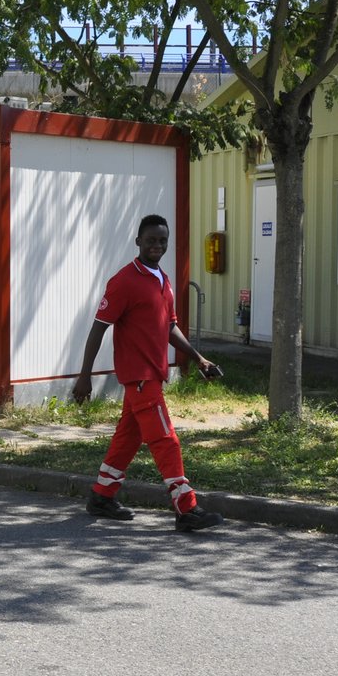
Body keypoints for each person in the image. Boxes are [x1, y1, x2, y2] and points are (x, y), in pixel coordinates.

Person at [71, 214, 224, 532]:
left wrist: (198, 359)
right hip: (139, 377)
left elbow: (169, 326)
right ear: (138, 241)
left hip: (153, 374)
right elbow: (99, 329)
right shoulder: (124, 280)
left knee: (129, 437)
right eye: (151, 239)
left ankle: (101, 495)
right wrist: (84, 376)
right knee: (166, 439)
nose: (157, 245)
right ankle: (186, 508)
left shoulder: (163, 280)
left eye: (162, 240)